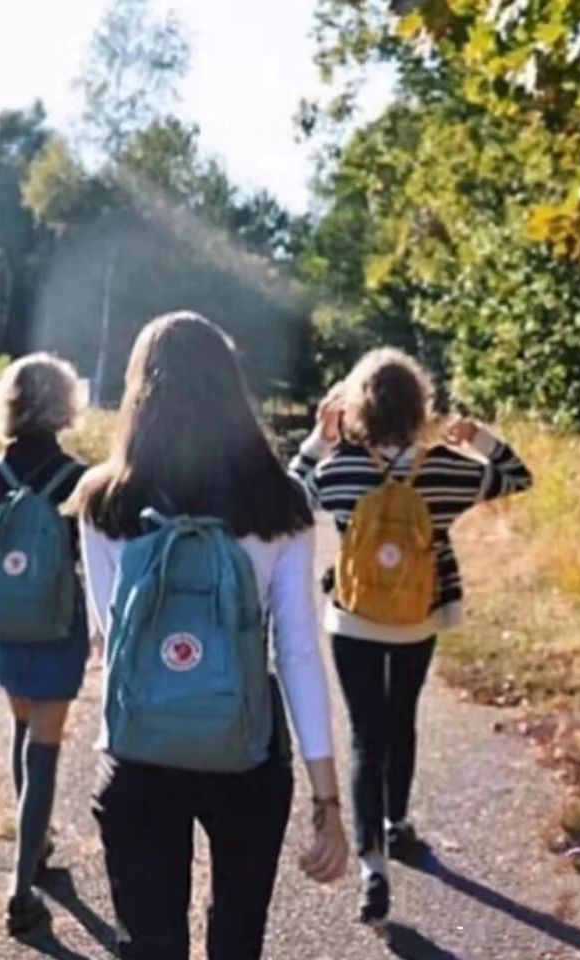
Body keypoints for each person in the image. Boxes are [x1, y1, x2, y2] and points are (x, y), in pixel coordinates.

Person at [73, 311, 349, 960]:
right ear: (233, 391)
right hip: (247, 754)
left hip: (140, 754)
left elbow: (114, 637)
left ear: (142, 391)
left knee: (150, 946)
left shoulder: (102, 499)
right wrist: (327, 797)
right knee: (237, 941)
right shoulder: (280, 502)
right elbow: (299, 654)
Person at [290, 347, 533, 928]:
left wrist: (319, 440)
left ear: (356, 407)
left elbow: (286, 497)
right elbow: (516, 477)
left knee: (366, 738)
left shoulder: (339, 469)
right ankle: (398, 822)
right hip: (419, 617)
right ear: (419, 404)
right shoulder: (446, 467)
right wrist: (477, 437)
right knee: (402, 718)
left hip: (352, 619)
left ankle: (373, 867)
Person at [0, 353, 89, 937]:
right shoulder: (80, 479)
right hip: (56, 628)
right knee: (44, 753)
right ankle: (20, 887)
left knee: (22, 732)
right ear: (64, 405)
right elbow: (92, 569)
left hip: (5, 630)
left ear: (8, 403)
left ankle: (40, 842)